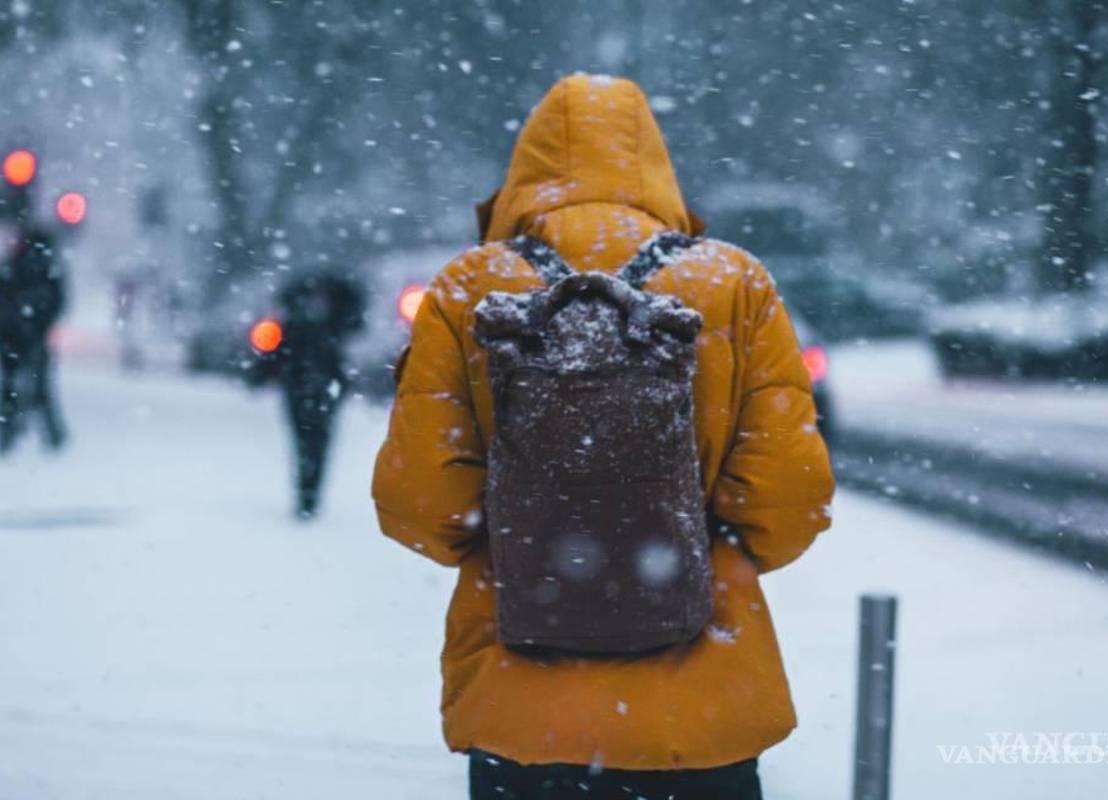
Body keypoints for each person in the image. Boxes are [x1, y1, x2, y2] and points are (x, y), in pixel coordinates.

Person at [372, 75, 835, 799]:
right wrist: (684, 549)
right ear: (654, 164)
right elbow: (789, 501)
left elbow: (419, 505)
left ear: (525, 169)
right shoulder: (733, 282)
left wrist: (529, 541)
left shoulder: (469, 289)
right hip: (701, 717)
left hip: (520, 718)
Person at [250, 271, 365, 518]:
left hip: (301, 385)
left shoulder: (296, 318)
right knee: (316, 441)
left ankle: (307, 493)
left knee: (304, 441)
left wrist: (261, 375)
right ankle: (309, 493)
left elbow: (274, 352)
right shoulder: (333, 319)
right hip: (321, 386)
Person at [0, 184, 66, 454]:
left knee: (36, 384)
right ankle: (11, 432)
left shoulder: (37, 249)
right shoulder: (17, 251)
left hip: (29, 330)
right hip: (12, 331)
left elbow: (54, 293)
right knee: (14, 383)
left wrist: (33, 317)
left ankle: (48, 435)